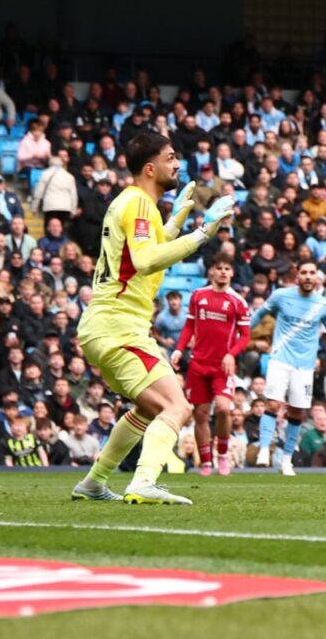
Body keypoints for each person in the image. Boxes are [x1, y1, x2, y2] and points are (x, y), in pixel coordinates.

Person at [69, 132, 236, 505]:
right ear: (150, 167)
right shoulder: (140, 203)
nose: (177, 164)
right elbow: (146, 261)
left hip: (107, 325)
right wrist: (202, 233)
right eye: (171, 157)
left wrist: (175, 221)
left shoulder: (130, 203)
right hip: (119, 326)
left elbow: (147, 254)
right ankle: (143, 481)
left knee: (148, 408)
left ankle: (95, 482)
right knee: (177, 407)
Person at [249, 261, 326, 476]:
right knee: (273, 404)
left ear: (317, 278)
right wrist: (242, 333)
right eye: (303, 273)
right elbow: (258, 316)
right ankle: (264, 450)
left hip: (304, 366)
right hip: (280, 359)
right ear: (297, 277)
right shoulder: (281, 296)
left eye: (311, 273)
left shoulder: (322, 304)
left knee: (297, 411)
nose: (307, 276)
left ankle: (286, 460)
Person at [170, 255, 249, 476]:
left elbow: (245, 336)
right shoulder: (198, 296)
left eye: (227, 268)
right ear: (211, 271)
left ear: (232, 273)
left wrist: (231, 354)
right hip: (198, 365)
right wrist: (179, 349)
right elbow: (188, 326)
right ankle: (206, 462)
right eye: (219, 268)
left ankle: (222, 454)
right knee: (201, 414)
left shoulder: (238, 302)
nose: (223, 272)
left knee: (224, 409)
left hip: (222, 367)